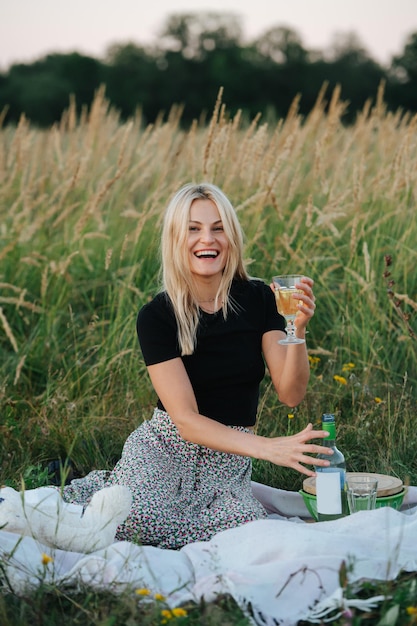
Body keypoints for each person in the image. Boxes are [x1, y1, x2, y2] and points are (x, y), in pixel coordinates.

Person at [61, 182, 333, 549]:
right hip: (166, 445)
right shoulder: (156, 316)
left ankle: (119, 489)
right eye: (194, 228)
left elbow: (290, 394)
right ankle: (109, 486)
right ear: (176, 238)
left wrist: (296, 330)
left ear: (231, 237)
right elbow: (186, 421)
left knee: (245, 523)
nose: (208, 238)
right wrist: (269, 448)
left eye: (218, 227)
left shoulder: (259, 299)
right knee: (135, 522)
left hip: (229, 456)